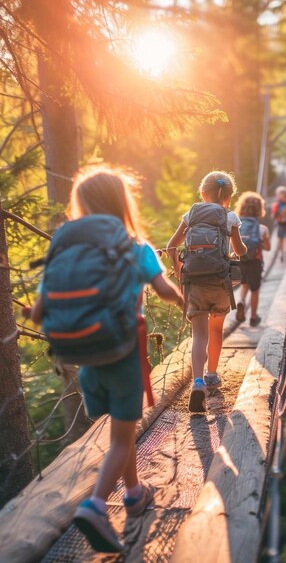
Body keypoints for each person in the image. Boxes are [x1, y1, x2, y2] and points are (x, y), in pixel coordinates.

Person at [27, 166, 183, 553]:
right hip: (123, 354)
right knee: (121, 437)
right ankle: (96, 505)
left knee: (120, 431)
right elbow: (163, 290)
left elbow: (37, 311)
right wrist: (182, 299)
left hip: (84, 359)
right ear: (121, 202)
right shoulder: (135, 247)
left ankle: (133, 492)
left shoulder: (63, 248)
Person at [167, 170, 247, 413]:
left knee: (199, 334)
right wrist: (237, 248)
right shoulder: (230, 217)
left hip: (195, 282)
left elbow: (172, 246)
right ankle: (212, 375)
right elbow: (240, 250)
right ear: (229, 196)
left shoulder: (190, 214)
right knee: (216, 330)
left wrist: (179, 271)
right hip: (220, 281)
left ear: (203, 193)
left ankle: (198, 382)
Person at [234, 191, 271, 326]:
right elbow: (268, 248)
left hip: (240, 260)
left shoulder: (236, 227)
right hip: (255, 261)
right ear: (259, 209)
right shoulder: (262, 229)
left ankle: (241, 301)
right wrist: (262, 241)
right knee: (255, 290)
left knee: (244, 284)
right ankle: (253, 317)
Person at [271, 186, 286, 263]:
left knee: (281, 239)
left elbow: (274, 215)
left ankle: (282, 254)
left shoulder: (277, 204)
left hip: (281, 224)